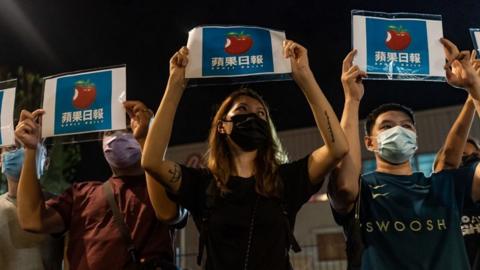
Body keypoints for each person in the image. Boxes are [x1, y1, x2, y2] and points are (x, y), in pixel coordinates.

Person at [141, 40, 349, 270]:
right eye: (242, 110)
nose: (253, 117)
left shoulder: (286, 179)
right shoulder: (203, 184)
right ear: (222, 127)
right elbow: (150, 161)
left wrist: (304, 77)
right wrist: (175, 85)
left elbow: (337, 148)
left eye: (261, 114)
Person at [328, 38, 480, 270]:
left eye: (406, 126)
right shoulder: (363, 191)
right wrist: (352, 99)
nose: (398, 130)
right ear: (369, 142)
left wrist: (475, 89)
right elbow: (345, 186)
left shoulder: (445, 186)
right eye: (387, 127)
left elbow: (451, 158)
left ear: (415, 140)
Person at [15, 100, 186, 270]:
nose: (119, 136)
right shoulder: (81, 193)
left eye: (128, 129)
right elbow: (33, 220)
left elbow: (171, 214)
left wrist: (147, 139)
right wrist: (31, 149)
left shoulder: (160, 187)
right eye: (111, 130)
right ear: (101, 142)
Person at [0, 144, 63, 270]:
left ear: (46, 162)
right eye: (13, 147)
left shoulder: (60, 207)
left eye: (29, 147)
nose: (22, 153)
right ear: (0, 159)